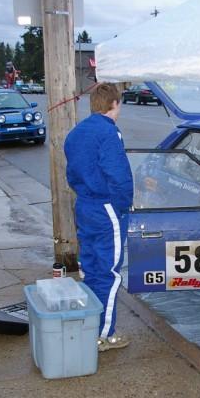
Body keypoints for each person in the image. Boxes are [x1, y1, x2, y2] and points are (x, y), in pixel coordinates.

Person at [65, 83, 134, 352]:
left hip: (85, 206)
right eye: (120, 105)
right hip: (107, 209)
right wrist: (123, 205)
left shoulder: (76, 133)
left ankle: (89, 328)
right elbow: (118, 175)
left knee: (91, 269)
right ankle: (103, 335)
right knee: (109, 273)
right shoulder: (108, 132)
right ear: (114, 104)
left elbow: (72, 174)